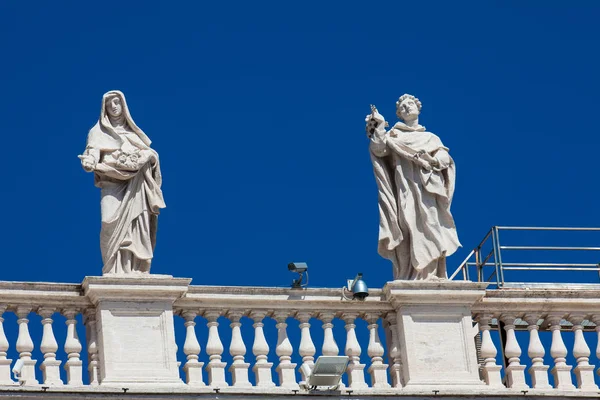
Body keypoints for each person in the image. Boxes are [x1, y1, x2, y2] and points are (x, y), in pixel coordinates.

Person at [366, 94, 460, 280]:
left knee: (431, 226)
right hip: (405, 189)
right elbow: (379, 149)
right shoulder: (394, 135)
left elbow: (444, 158)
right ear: (399, 114)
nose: (407, 108)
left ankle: (431, 274)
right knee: (407, 227)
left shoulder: (430, 137)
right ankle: (409, 274)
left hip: (428, 190)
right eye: (402, 107)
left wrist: (433, 161)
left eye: (410, 104)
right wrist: (379, 127)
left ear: (418, 108)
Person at [79, 90, 166, 275]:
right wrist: (89, 162)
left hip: (135, 187)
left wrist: (149, 157)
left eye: (117, 102)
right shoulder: (97, 133)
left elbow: (151, 156)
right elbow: (92, 154)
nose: (113, 106)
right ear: (105, 109)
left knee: (136, 225)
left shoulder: (134, 135)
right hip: (111, 182)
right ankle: (113, 268)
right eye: (109, 104)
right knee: (108, 221)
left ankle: (133, 268)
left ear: (123, 105)